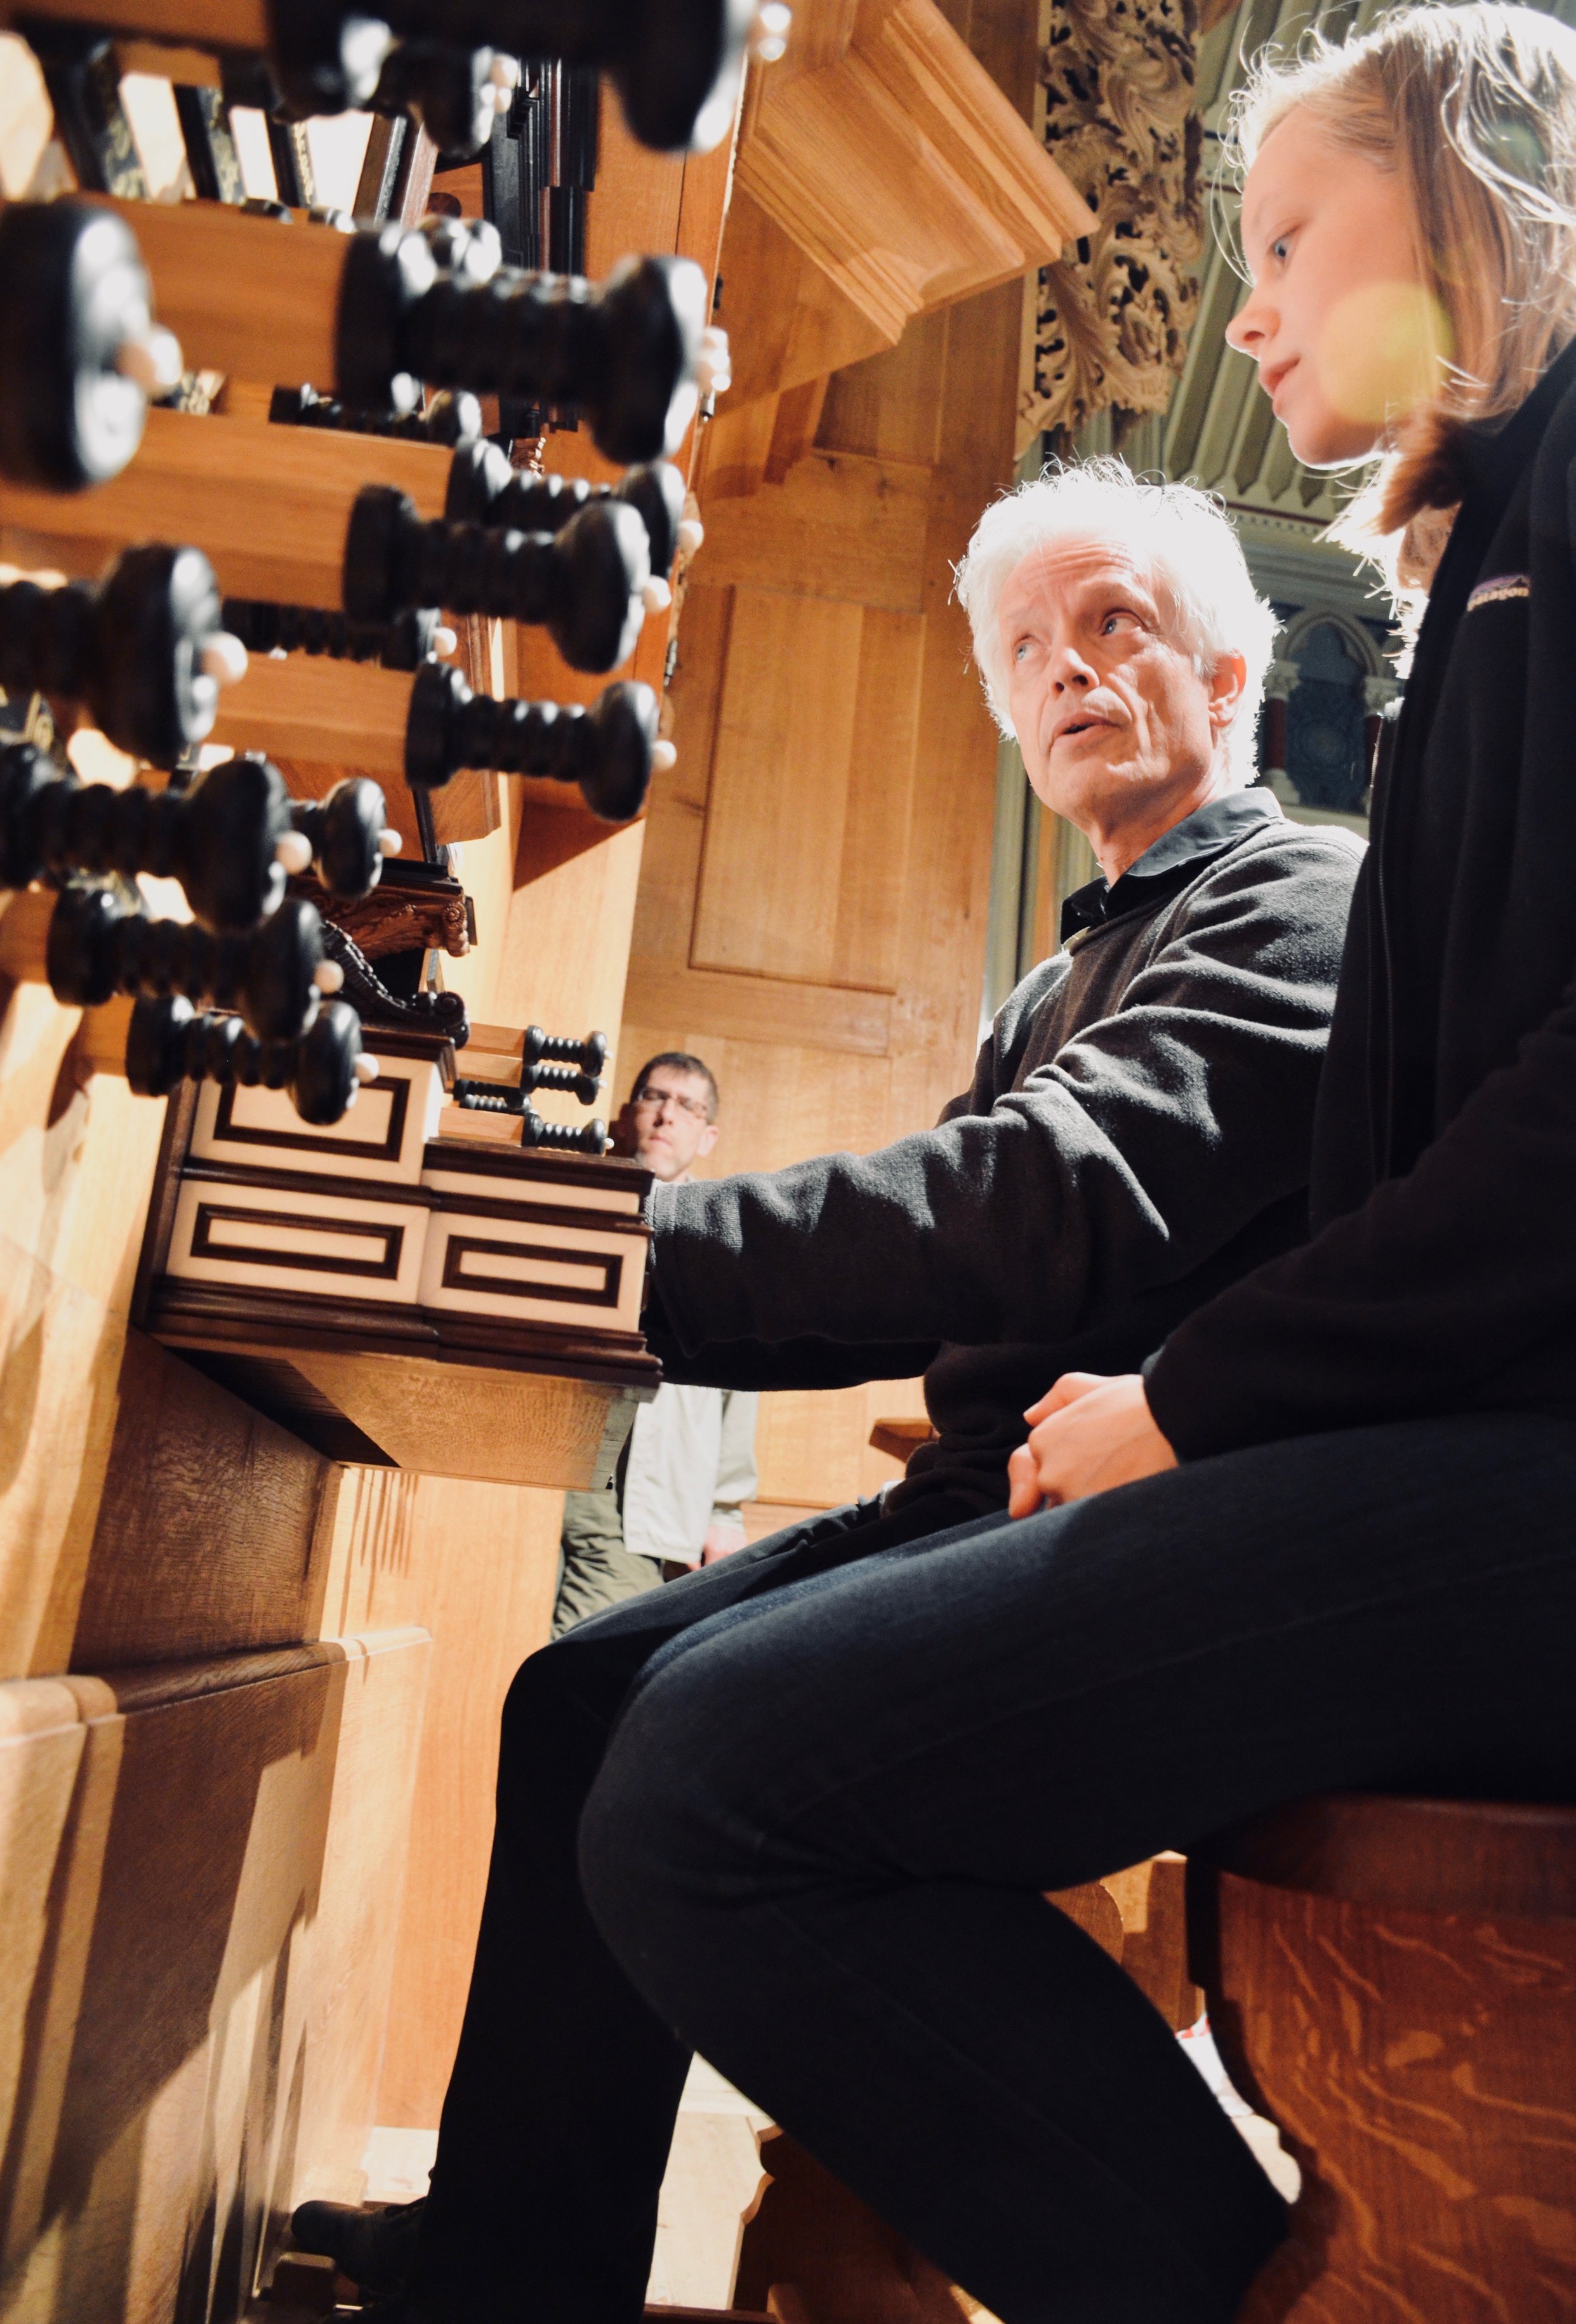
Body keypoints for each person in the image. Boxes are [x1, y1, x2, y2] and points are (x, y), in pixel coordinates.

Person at [294, 455, 1363, 2317]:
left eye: (1115, 623)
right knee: (573, 1695)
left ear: (1229, 677)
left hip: (1149, 1519)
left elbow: (1024, 1214)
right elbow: (934, 1283)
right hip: (980, 1484)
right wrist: (563, 1278)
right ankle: (510, 2274)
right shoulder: (1072, 962)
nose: (1065, 671)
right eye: (1025, 646)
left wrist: (610, 1250)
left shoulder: (1300, 899)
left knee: (686, 1772)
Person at [552, 1052, 758, 1636]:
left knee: (585, 1656)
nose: (667, 1116)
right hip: (545, 1459)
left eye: (687, 1106)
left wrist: (724, 1512)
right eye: (654, 1097)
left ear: (707, 1135)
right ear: (628, 1112)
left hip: (636, 1500)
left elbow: (742, 1381)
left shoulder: (720, 1240)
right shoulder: (575, 1203)